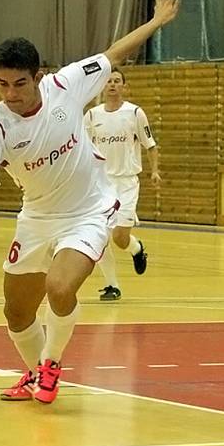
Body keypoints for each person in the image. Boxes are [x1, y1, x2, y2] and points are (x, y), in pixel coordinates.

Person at [0, 0, 181, 404]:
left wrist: (157, 21)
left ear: (40, 78)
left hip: (89, 211)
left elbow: (113, 53)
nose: (10, 94)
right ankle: (33, 374)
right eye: (2, 84)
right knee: (16, 312)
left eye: (19, 84)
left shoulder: (67, 85)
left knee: (60, 287)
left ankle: (50, 365)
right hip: (36, 217)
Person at [84, 68, 160, 301]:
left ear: (124, 86)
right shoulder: (92, 116)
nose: (112, 85)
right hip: (101, 185)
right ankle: (111, 286)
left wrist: (155, 171)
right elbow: (82, 149)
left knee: (120, 237)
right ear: (103, 87)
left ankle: (136, 248)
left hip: (126, 183)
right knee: (100, 238)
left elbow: (150, 145)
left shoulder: (135, 113)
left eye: (117, 81)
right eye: (108, 81)